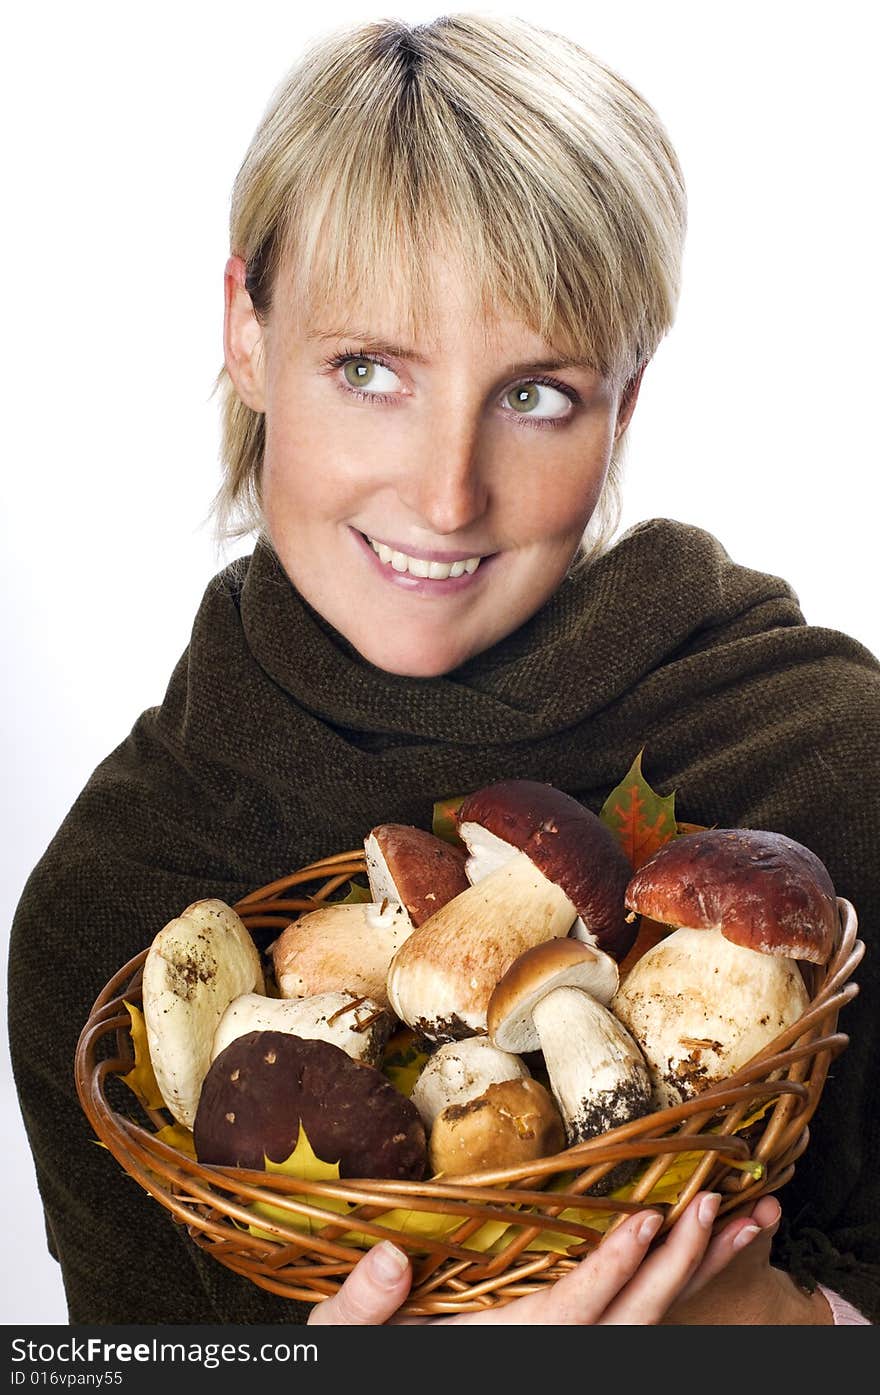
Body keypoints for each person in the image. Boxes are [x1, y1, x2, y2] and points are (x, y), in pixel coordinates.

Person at [8, 13, 878, 1326]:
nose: (448, 493)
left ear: (626, 400)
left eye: (535, 394)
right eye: (369, 370)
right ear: (245, 332)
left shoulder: (837, 763)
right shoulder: (114, 913)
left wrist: (784, 1333)